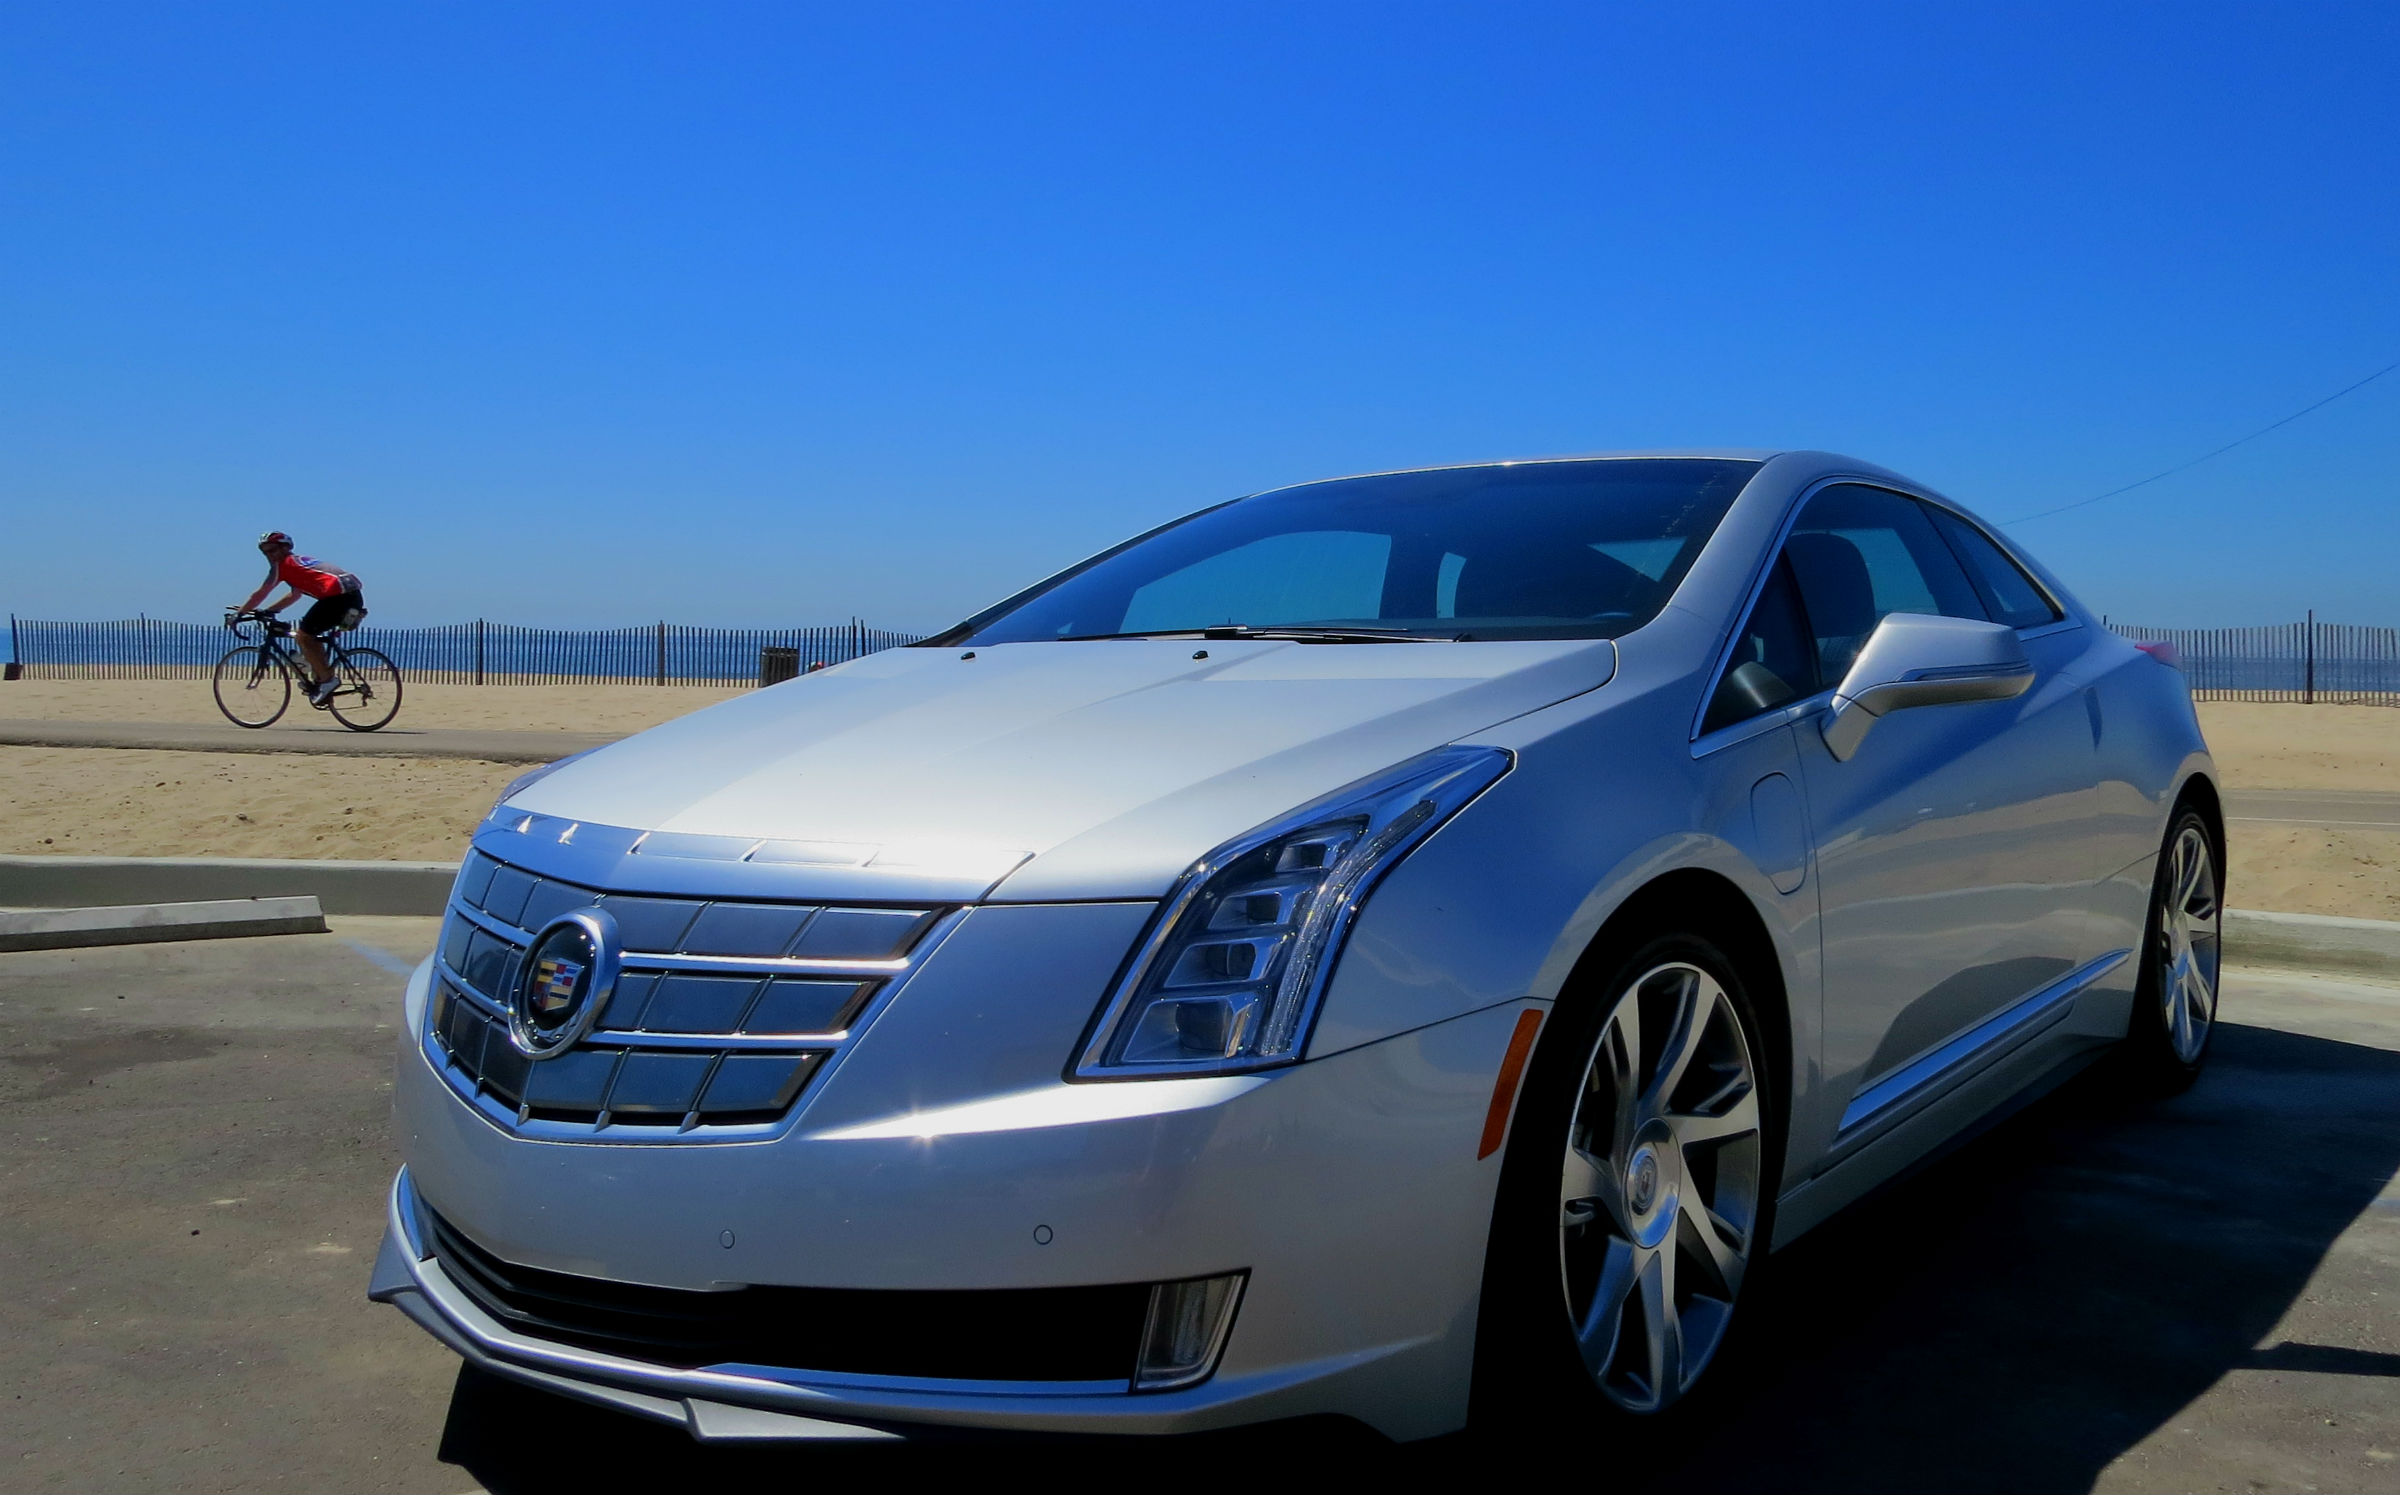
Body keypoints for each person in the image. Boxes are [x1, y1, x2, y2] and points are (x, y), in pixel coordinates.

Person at [233, 531, 366, 707]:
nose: (269, 556)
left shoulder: (283, 565)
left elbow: (261, 592)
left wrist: (239, 614)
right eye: (265, 552)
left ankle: (327, 680)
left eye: (272, 550)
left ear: (286, 548)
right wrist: (269, 610)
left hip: (337, 596)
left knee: (302, 636)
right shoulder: (297, 565)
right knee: (310, 636)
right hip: (352, 596)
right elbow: (295, 595)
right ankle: (322, 676)